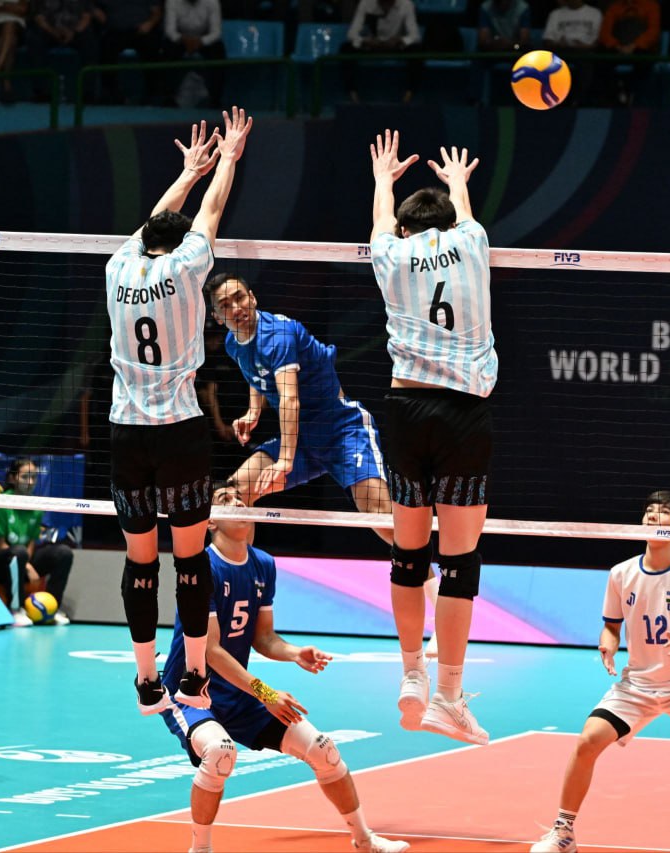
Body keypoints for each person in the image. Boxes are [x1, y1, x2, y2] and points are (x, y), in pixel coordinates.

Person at [158, 482, 411, 853]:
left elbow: (263, 638)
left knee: (322, 749)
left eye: (239, 496)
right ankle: (201, 849)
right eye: (225, 499)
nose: (237, 501)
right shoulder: (202, 568)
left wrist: (294, 653)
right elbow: (211, 651)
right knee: (220, 752)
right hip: (190, 693)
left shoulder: (263, 564)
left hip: (238, 693)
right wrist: (265, 692)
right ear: (210, 521)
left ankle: (364, 840)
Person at [106, 108, 252, 715]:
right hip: (180, 432)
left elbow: (154, 223)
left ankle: (146, 681)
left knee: (141, 561)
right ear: (179, 244)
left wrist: (187, 172)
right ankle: (193, 676)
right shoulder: (187, 266)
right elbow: (211, 213)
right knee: (190, 557)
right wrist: (227, 161)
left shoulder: (117, 266)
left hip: (126, 433)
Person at [530, 491, 670, 853]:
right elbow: (611, 626)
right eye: (649, 511)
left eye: (662, 513)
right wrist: (608, 643)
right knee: (587, 741)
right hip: (636, 685)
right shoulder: (621, 573)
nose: (652, 517)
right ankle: (564, 832)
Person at [367, 130, 493, 744]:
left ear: (406, 228)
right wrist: (459, 182)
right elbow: (463, 217)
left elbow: (380, 228)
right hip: (463, 412)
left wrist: (382, 181)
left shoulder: (390, 256)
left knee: (408, 554)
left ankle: (411, 674)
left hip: (405, 408)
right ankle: (448, 694)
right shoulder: (472, 242)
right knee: (459, 562)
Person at [203, 273, 393, 544]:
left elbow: (290, 399)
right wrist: (253, 411)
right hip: (301, 438)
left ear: (252, 298)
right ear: (218, 317)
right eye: (225, 305)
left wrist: (285, 460)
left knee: (379, 514)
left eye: (239, 298)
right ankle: (244, 565)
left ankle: (423, 570)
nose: (235, 308)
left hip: (340, 431)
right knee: (236, 492)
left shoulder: (278, 335)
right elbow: (258, 373)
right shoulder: (234, 344)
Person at [0, 457, 74, 627]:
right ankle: (15, 609)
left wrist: (26, 564)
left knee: (64, 553)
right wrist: (28, 567)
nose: (30, 482)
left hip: (21, 559)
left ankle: (51, 608)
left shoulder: (35, 506)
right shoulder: (1, 503)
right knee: (18, 552)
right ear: (12, 478)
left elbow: (30, 542)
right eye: (25, 477)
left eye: (34, 477)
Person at [339, 0, 423, 103]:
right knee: (346, 48)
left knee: (417, 50)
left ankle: (409, 94)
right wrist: (366, 41)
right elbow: (351, 34)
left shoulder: (406, 4)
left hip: (395, 46)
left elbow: (415, 36)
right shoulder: (366, 3)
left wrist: (400, 40)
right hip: (372, 46)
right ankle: (352, 94)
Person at [160, 0, 227, 107]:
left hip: (203, 39)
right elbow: (170, 31)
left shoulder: (212, 2)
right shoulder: (172, 2)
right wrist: (183, 39)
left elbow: (216, 32)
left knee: (218, 52)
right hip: (181, 39)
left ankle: (215, 99)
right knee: (168, 51)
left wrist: (201, 41)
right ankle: (168, 97)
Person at [543, 0, 602, 105]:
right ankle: (556, 99)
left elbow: (599, 41)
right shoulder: (556, 14)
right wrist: (558, 44)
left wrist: (585, 46)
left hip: (586, 52)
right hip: (562, 52)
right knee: (550, 64)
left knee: (587, 64)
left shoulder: (595, 13)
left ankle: (581, 101)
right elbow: (547, 40)